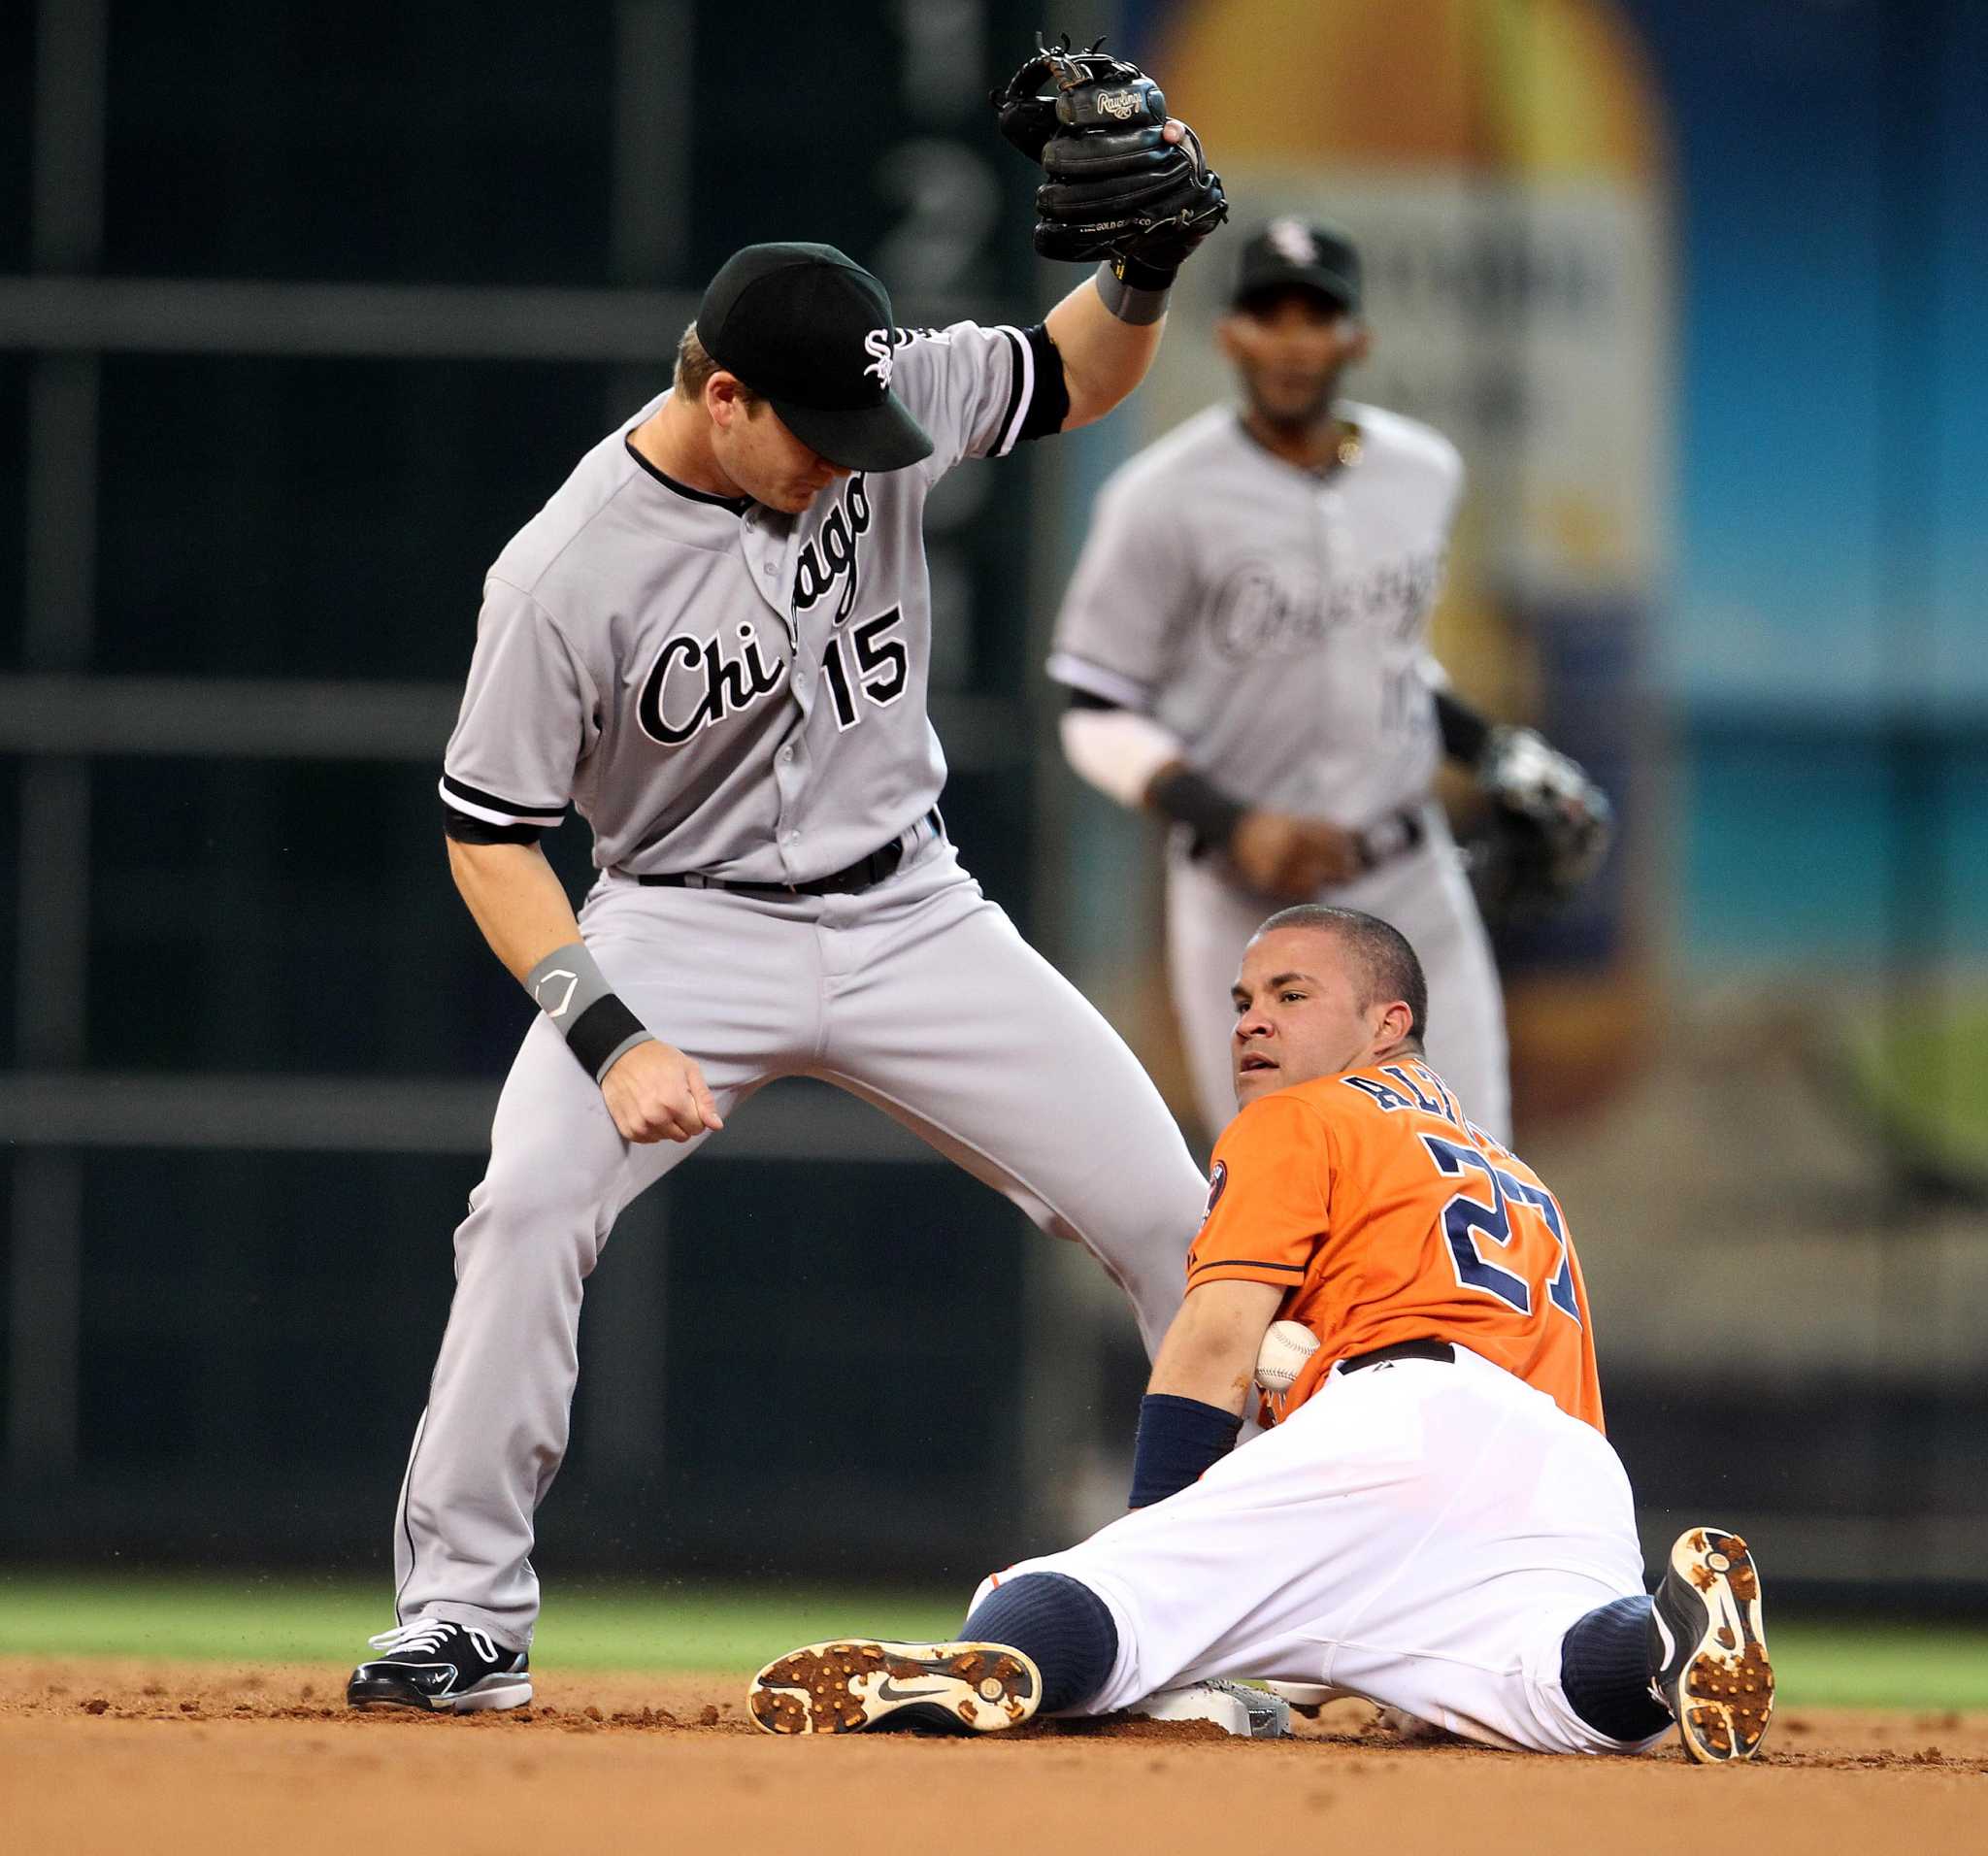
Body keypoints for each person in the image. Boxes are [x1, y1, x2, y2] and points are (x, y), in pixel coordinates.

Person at [346, 113, 1230, 1710]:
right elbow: (489, 839)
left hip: (914, 911)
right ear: (719, 392)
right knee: (527, 1206)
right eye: (810, 430)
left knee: (1185, 1227)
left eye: (861, 421)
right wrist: (605, 1029)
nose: (847, 456)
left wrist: (1148, 263)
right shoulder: (563, 572)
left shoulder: (872, 387)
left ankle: (1203, 1620)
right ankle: (464, 1612)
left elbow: (1070, 375)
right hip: (677, 928)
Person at [747, 906, 1773, 1764]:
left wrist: (1150, 1544)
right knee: (1557, 1684)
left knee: (1101, 1596)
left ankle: (987, 1658)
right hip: (1566, 1467)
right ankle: (1659, 1635)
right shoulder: (1511, 1172)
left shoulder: (1304, 1116)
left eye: (1291, 995)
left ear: (1387, 1023)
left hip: (1399, 1418)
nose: (1250, 1021)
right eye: (1241, 999)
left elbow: (1212, 1339)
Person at [1047, 218, 1610, 1144]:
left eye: (1318, 316)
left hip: (1408, 877)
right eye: (1270, 314)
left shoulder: (1423, 473)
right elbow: (1093, 712)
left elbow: (1387, 662)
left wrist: (1492, 750)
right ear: (1229, 333)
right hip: (1241, 896)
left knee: (1471, 1167)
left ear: (1357, 338)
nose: (1293, 339)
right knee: (1275, 1186)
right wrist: (1232, 820)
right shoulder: (1159, 497)